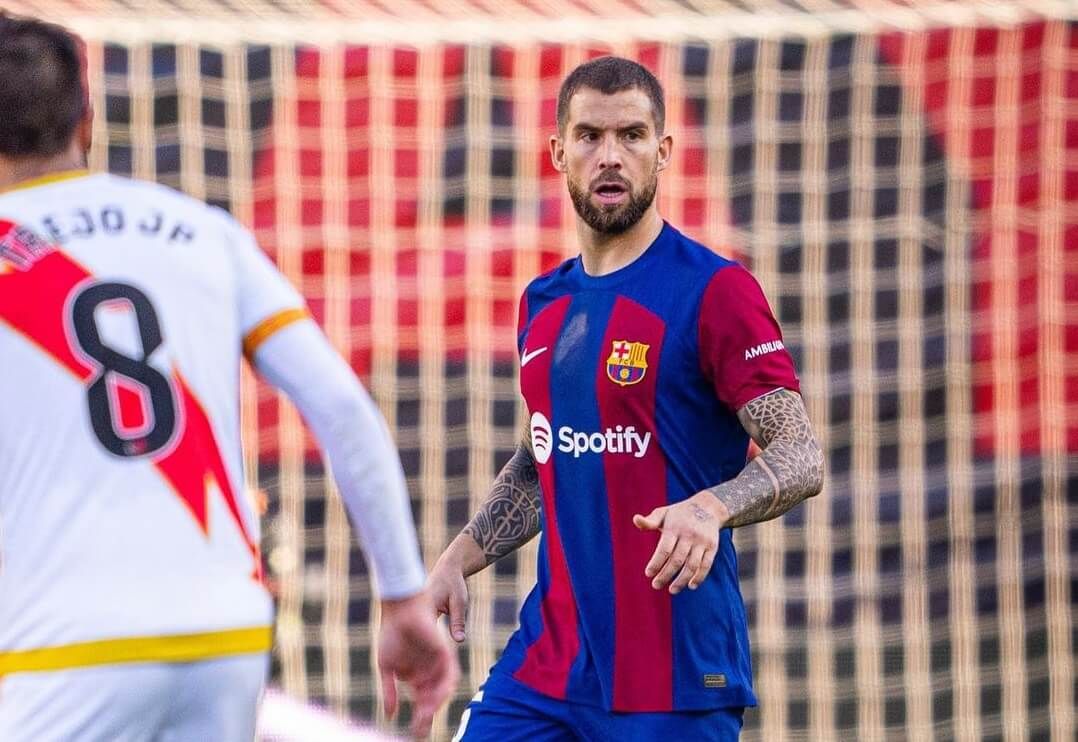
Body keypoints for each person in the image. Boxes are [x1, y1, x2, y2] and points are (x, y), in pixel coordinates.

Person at [0, 13, 457, 741]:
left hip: (57, 645)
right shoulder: (200, 230)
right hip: (224, 636)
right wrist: (402, 594)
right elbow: (340, 405)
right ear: (86, 117)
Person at [428, 56, 824, 741]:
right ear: (559, 151)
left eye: (632, 136)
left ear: (663, 151)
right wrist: (458, 557)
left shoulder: (716, 292)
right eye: (589, 136)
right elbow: (540, 457)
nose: (610, 155)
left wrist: (711, 507)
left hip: (673, 680)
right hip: (546, 671)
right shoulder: (541, 305)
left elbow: (801, 454)